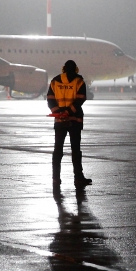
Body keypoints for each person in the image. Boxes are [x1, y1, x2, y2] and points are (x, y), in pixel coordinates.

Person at [47, 60, 91, 190]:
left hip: (60, 121)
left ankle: (56, 178)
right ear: (76, 69)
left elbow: (50, 99)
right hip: (75, 120)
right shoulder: (79, 81)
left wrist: (59, 112)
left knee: (58, 150)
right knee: (75, 150)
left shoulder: (55, 81)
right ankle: (78, 178)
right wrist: (68, 112)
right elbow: (80, 99)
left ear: (63, 69)